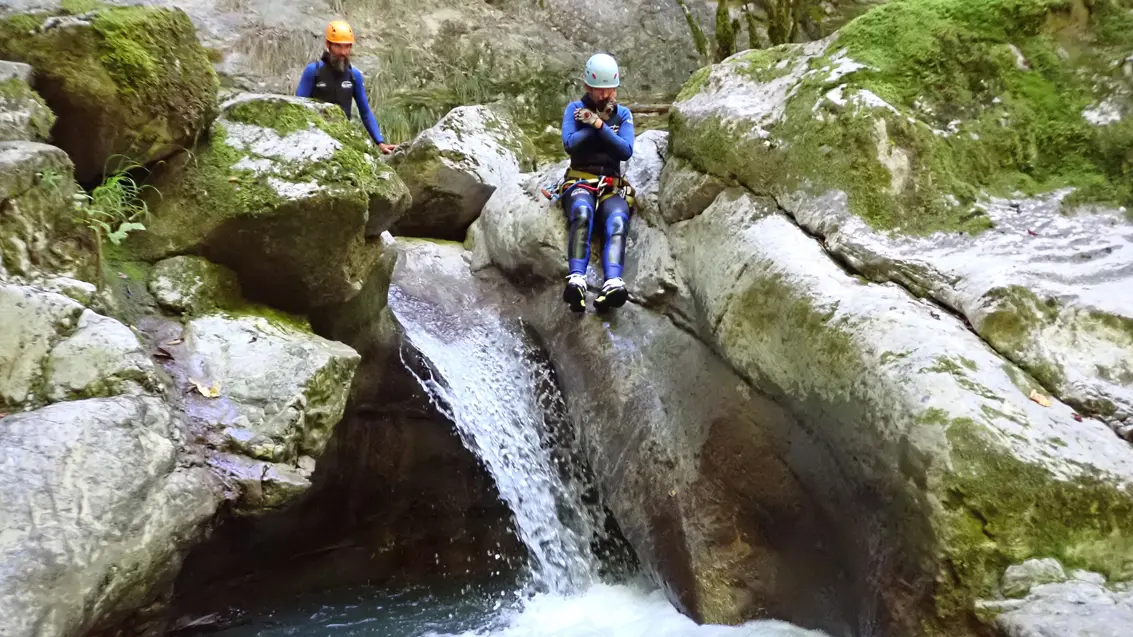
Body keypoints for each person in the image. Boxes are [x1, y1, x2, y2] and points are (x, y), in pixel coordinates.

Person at [557, 53, 636, 313]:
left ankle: (613, 281)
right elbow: (570, 144)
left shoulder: (622, 115)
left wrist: (600, 125)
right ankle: (577, 279)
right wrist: (590, 124)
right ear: (588, 87)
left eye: (609, 90)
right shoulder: (574, 110)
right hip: (580, 181)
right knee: (582, 212)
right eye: (599, 91)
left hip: (611, 185)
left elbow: (625, 150)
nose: (605, 96)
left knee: (617, 219)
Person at [296, 20, 397, 154]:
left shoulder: (353, 75)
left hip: (342, 137)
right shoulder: (313, 72)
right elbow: (297, 107)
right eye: (338, 46)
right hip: (315, 137)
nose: (343, 52)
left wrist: (380, 142)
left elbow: (365, 112)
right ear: (328, 45)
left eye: (347, 46)